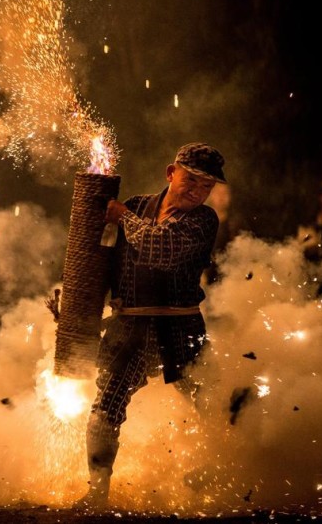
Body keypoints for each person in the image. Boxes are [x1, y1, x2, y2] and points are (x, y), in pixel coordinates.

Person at [84, 143, 226, 506]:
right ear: (170, 173)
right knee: (105, 410)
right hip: (130, 328)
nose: (196, 191)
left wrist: (121, 217)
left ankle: (224, 476)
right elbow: (101, 263)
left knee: (212, 406)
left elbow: (159, 248)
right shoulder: (133, 206)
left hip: (181, 328)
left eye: (205, 186)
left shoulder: (203, 220)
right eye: (190, 180)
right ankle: (97, 492)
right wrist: (78, 305)